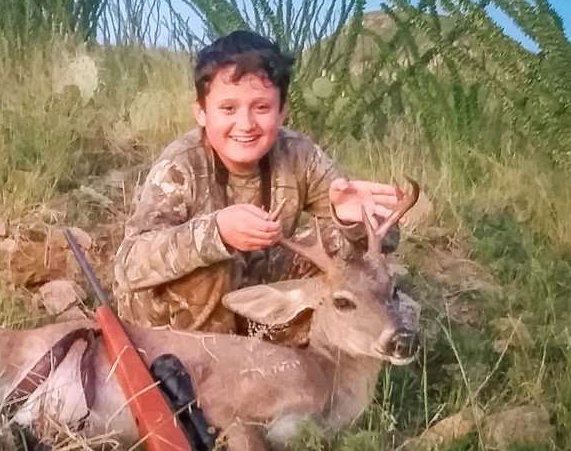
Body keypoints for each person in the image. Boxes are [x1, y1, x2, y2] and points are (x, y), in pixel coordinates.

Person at [113, 30, 418, 337]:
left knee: (336, 247)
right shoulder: (181, 164)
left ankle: (292, 351)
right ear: (202, 113)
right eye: (228, 109)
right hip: (173, 329)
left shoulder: (299, 154)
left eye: (261, 108)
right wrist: (216, 232)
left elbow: (385, 244)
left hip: (251, 296)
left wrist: (353, 223)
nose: (246, 124)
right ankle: (212, 361)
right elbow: (128, 265)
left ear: (282, 112)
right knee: (212, 262)